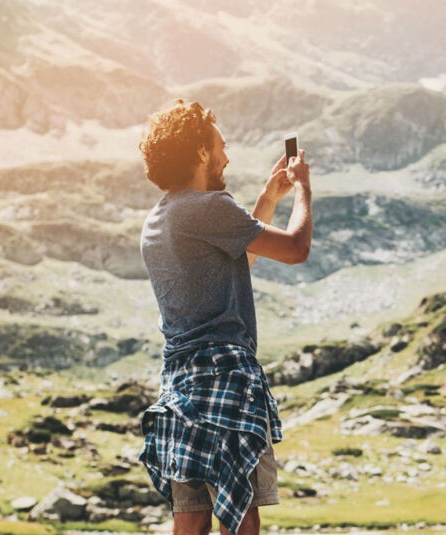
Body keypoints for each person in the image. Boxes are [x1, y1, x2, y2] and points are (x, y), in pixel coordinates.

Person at [135, 98, 313, 535]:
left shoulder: (160, 219)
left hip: (180, 386)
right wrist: (303, 189)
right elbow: (295, 248)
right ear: (200, 152)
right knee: (241, 515)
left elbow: (237, 263)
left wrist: (268, 198)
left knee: (190, 519)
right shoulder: (208, 207)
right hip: (227, 378)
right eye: (221, 146)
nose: (226, 157)